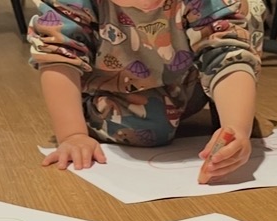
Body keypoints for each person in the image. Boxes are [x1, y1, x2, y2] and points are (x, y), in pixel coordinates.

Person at [27, 0, 264, 183]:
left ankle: (222, 107)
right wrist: (72, 135)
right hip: (115, 82)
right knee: (148, 127)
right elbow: (58, 57)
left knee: (247, 8)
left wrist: (236, 129)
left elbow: (228, 51)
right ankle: (93, 107)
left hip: (186, 76)